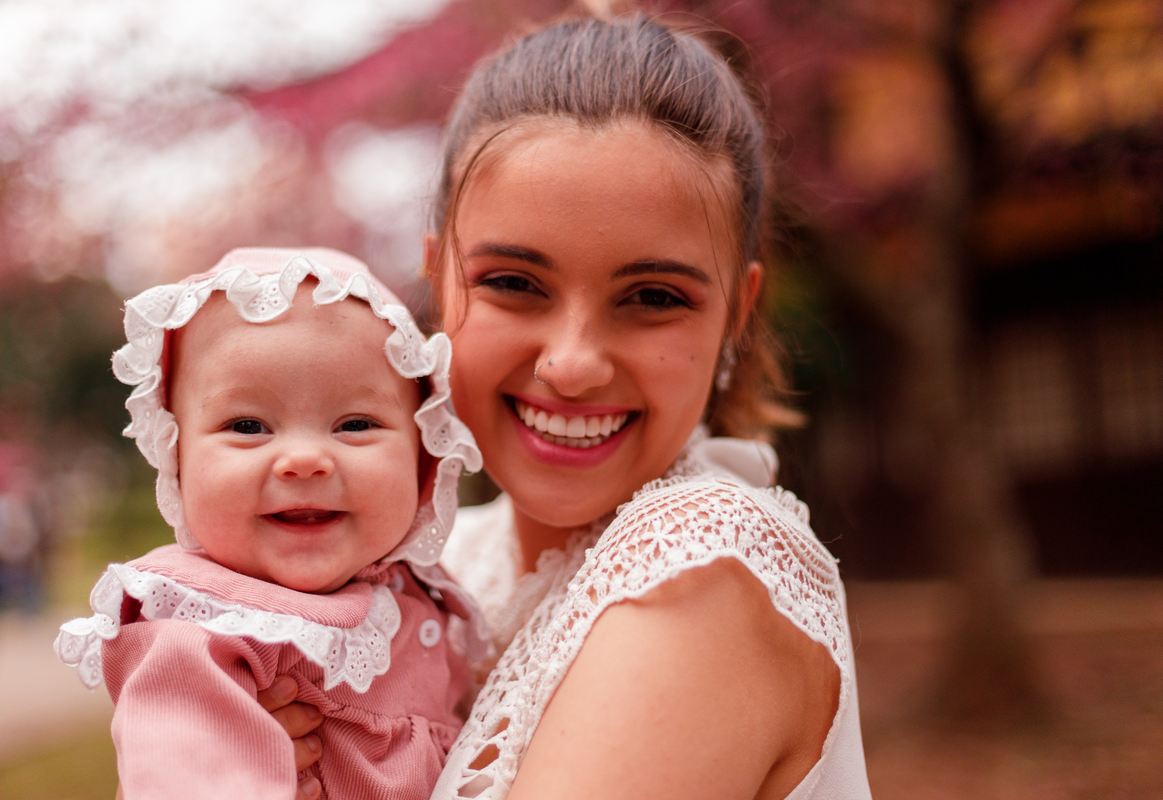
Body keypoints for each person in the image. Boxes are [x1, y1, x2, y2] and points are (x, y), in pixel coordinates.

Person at [271, 13, 871, 800]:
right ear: (438, 280)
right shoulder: (440, 570)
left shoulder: (710, 569)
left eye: (652, 296)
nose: (573, 363)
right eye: (515, 284)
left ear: (737, 311)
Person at [55, 247, 484, 800]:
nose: (304, 459)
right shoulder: (202, 631)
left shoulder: (421, 592)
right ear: (176, 457)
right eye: (249, 425)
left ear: (423, 459)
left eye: (355, 423)